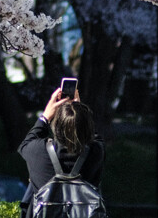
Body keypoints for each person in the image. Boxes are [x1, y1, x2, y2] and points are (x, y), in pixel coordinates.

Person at [18, 86, 105, 218]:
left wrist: (45, 116)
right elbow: (94, 137)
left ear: (55, 125)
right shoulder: (95, 153)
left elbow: (26, 143)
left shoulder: (38, 151)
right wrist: (78, 112)